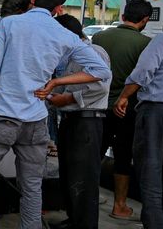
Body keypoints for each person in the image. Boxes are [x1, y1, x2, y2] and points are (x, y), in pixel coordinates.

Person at [0, 0, 111, 229]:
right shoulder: (64, 35)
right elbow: (101, 71)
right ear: (59, 8)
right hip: (36, 120)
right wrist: (56, 82)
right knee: (31, 186)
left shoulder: (9, 24)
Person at [93, 0, 152, 220]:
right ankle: (120, 206)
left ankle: (88, 198)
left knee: (94, 154)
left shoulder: (99, 37)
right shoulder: (146, 44)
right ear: (145, 20)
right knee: (123, 156)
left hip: (97, 106)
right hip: (128, 110)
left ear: (123, 15)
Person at [50, 14, 111, 229]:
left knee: (83, 176)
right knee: (69, 173)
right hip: (71, 119)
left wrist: (67, 98)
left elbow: (100, 86)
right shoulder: (72, 55)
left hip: (87, 121)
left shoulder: (92, 53)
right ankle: (74, 219)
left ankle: (84, 223)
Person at [115, 32, 163, 228]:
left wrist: (124, 96)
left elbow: (144, 69)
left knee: (151, 172)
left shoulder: (162, 39)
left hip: (157, 111)